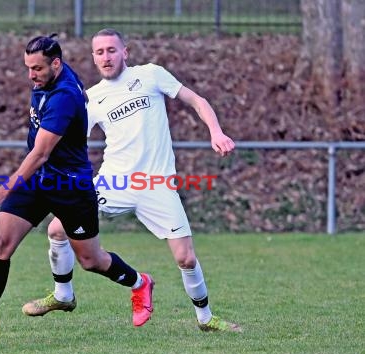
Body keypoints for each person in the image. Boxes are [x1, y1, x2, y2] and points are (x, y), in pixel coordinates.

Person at [22, 28, 241, 332]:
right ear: (93, 58)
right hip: (114, 182)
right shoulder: (91, 98)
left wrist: (216, 132)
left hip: (157, 185)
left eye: (112, 50)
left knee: (186, 259)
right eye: (99, 52)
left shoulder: (151, 75)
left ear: (125, 51)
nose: (106, 57)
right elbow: (69, 142)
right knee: (58, 229)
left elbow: (197, 100)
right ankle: (63, 294)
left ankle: (206, 319)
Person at [0, 35, 154, 348]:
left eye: (37, 68)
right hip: (37, 180)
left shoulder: (63, 97)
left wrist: (4, 189)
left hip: (69, 186)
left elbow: (41, 152)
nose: (31, 75)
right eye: (28, 67)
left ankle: (140, 283)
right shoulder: (52, 74)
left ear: (56, 64)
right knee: (2, 242)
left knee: (91, 260)